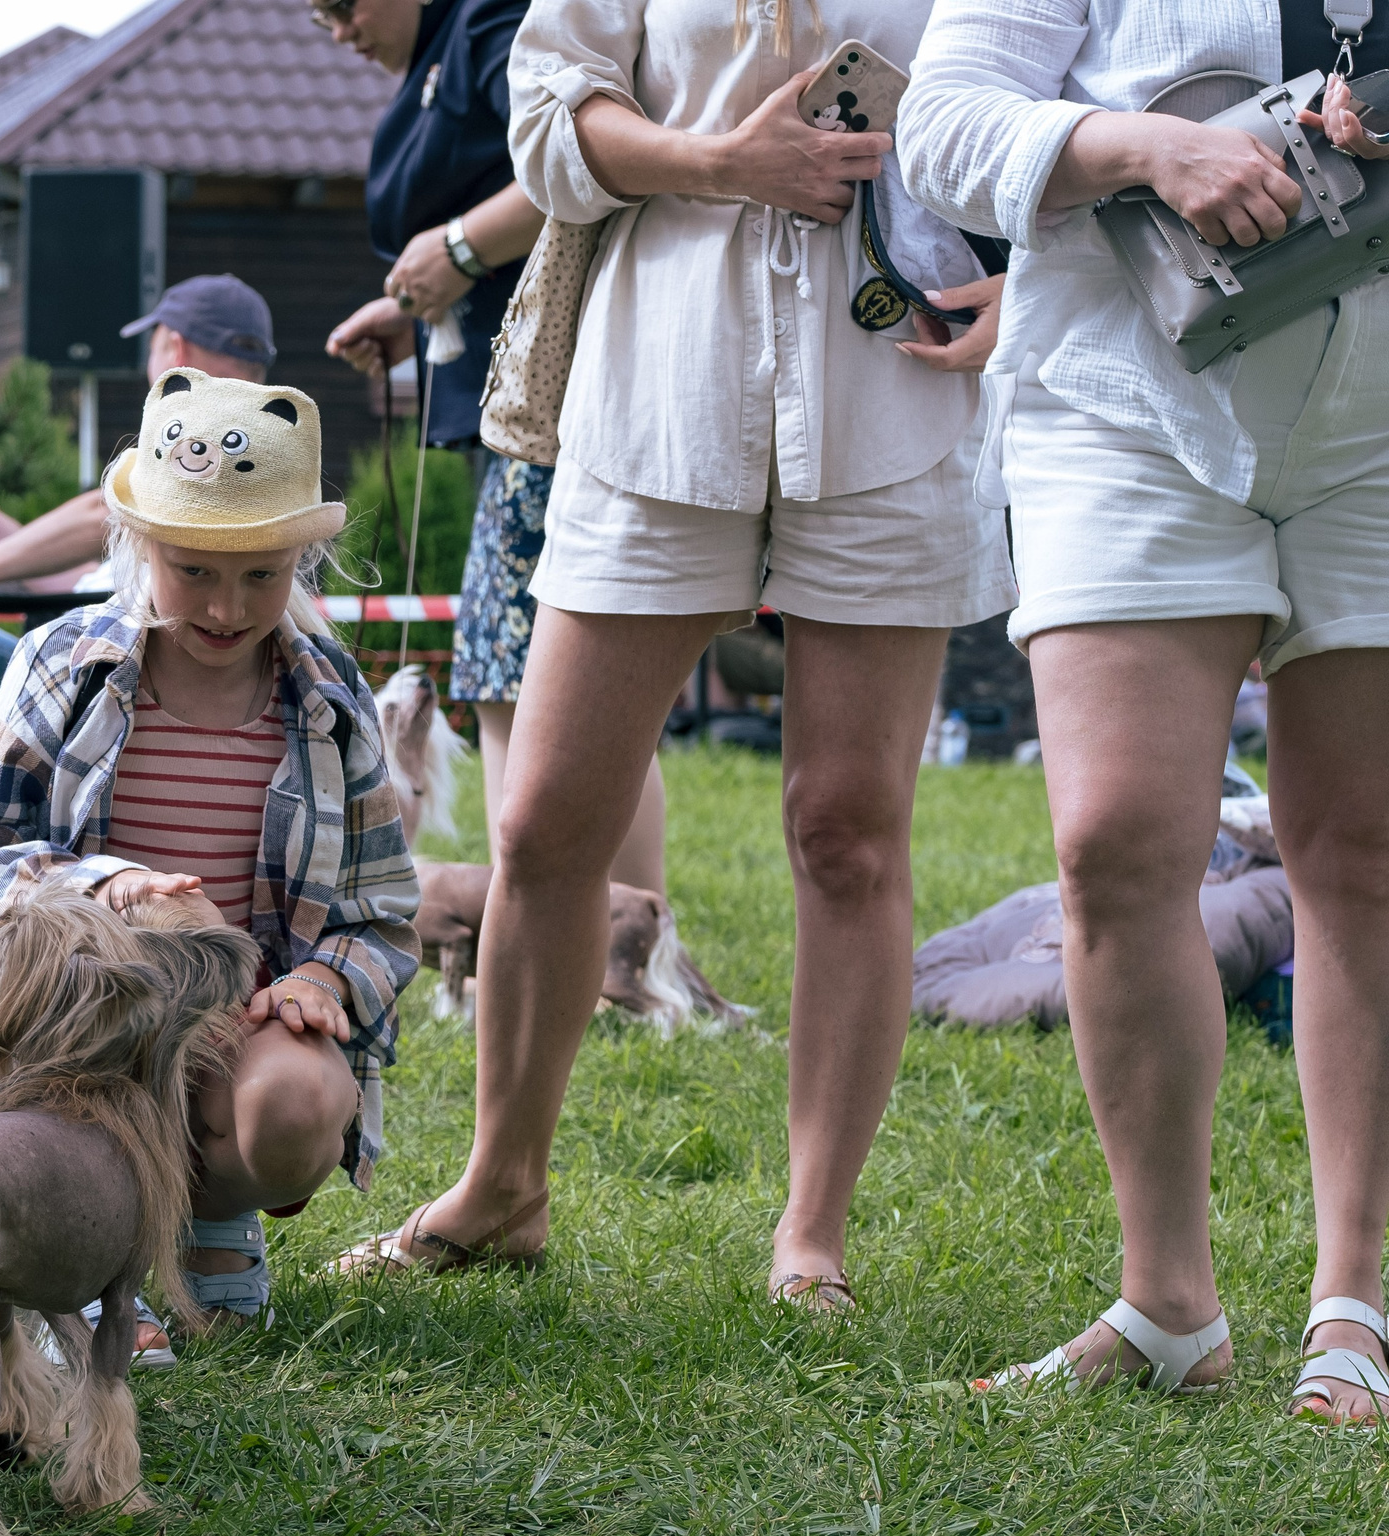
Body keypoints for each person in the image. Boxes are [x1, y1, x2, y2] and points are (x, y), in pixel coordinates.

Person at [338, 0, 1014, 1301]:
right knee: (545, 819)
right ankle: (502, 1186)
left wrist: (1028, 274)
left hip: (898, 385)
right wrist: (722, 161)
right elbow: (551, 114)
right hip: (658, 387)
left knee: (848, 829)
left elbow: (1051, 93)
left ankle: (812, 1234)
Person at [905, 9, 1389, 1417]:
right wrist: (1142, 147)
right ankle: (1169, 1304)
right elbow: (941, 124)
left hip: (1378, 419)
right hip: (1121, 393)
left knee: (1363, 851)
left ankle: (1355, 1302)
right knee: (1114, 841)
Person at [0, 369, 419, 1330]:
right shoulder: (63, 665)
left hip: (234, 1028)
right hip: (84, 1024)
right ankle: (80, 1247)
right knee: (86, 1068)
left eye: (260, 575)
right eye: (194, 571)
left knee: (300, 1099)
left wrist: (325, 982)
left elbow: (381, 912)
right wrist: (101, 887)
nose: (225, 608)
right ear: (139, 542)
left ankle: (208, 1212)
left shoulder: (330, 698)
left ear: (304, 558)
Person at [319, 0, 665, 883]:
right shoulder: (455, 43)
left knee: (528, 675)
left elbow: (576, 158)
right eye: (321, 16)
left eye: (342, 5)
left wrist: (460, 251)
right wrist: (415, 310)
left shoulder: (490, 22)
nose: (339, 30)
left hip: (555, 411)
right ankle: (622, 924)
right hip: (520, 408)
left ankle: (607, 925)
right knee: (534, 674)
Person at [0, 275, 276, 836]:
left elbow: (104, 514)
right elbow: (105, 584)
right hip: (110, 665)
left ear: (174, 347)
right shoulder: (264, 455)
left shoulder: (193, 448)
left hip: (93, 684)